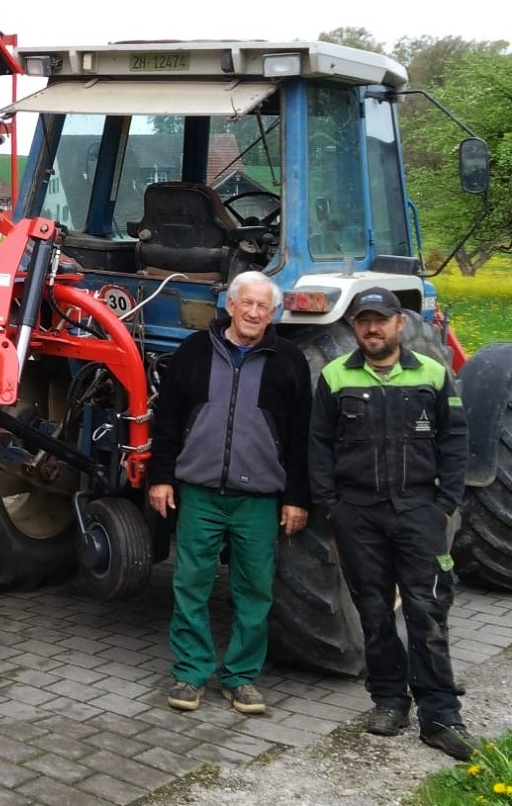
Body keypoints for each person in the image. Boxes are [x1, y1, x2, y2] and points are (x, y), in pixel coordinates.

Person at [308, 287, 474, 760]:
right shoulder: (335, 376)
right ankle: (389, 701)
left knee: (427, 611)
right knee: (375, 613)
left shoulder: (432, 373)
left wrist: (445, 502)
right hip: (358, 515)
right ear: (354, 327)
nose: (372, 328)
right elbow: (318, 444)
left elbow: (455, 439)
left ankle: (440, 716)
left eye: (380, 320)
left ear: (399, 323)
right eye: (363, 321)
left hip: (419, 511)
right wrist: (332, 505)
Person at [148, 270, 312, 715]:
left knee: (254, 590)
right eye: (248, 303)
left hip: (258, 497)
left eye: (263, 306)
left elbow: (301, 435)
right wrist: (161, 476)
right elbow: (167, 419)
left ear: (272, 313)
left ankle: (240, 677)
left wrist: (297, 496)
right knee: (191, 584)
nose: (254, 313)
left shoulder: (289, 360)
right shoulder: (194, 351)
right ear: (231, 306)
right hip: (199, 492)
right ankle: (191, 672)